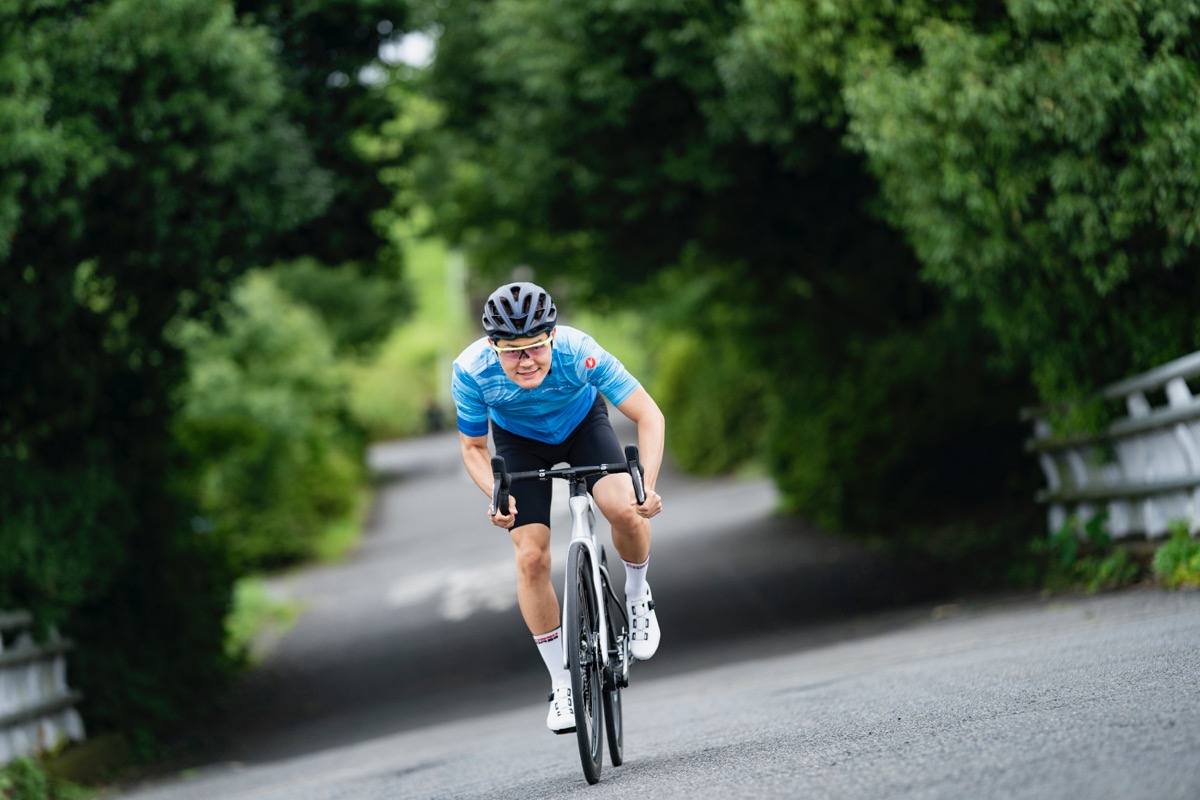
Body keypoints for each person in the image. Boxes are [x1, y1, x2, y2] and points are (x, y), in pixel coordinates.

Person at [451, 281, 665, 734]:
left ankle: (637, 593)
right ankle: (563, 681)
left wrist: (646, 484)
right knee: (530, 557)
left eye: (535, 348)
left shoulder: (579, 352)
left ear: (552, 338)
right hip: (519, 443)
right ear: (493, 346)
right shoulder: (470, 370)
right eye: (512, 352)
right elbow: (472, 447)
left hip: (583, 425)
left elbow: (649, 415)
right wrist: (496, 493)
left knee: (624, 509)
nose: (525, 361)